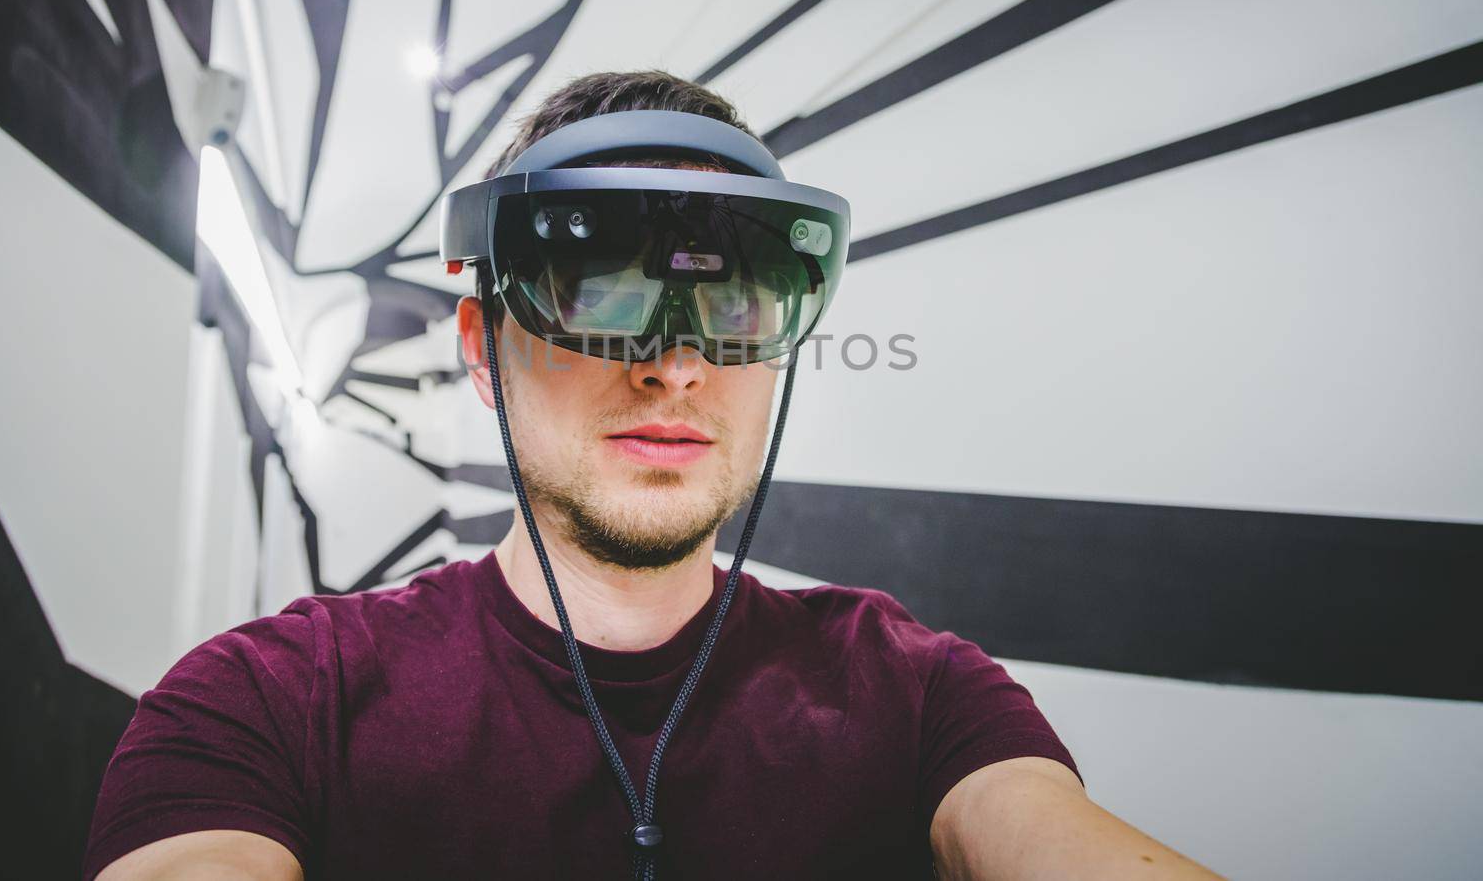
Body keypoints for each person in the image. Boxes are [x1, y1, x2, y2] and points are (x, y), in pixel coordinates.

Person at [84, 71, 1222, 880]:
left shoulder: (915, 695)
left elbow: (1032, 829)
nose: (676, 364)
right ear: (485, 348)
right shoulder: (271, 703)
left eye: (731, 305)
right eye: (601, 291)